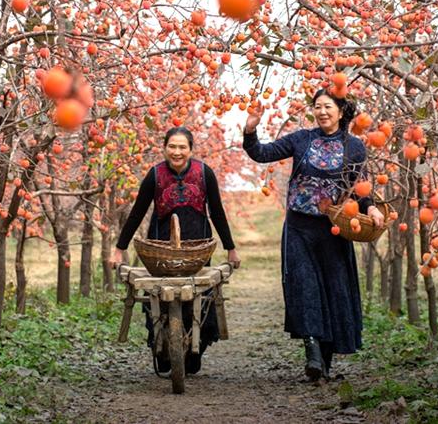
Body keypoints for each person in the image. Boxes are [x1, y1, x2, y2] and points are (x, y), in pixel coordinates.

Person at [242, 88, 384, 382]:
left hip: (334, 228)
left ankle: (326, 363)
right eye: (317, 106)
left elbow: (361, 186)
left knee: (333, 290)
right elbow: (262, 153)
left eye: (327, 107)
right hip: (299, 227)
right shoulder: (301, 139)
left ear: (342, 110)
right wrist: (251, 131)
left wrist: (370, 209)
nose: (321, 112)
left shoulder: (354, 146)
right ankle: (312, 354)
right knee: (304, 287)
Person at [109, 127, 240, 375]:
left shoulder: (204, 173)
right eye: (172, 146)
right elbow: (137, 212)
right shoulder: (155, 175)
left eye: (182, 147)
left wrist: (230, 248)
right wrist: (119, 248)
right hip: (161, 249)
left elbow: (218, 212)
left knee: (199, 299)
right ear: (165, 147)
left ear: (190, 149)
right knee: (158, 298)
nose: (177, 152)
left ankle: (195, 346)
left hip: (197, 250)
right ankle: (163, 345)